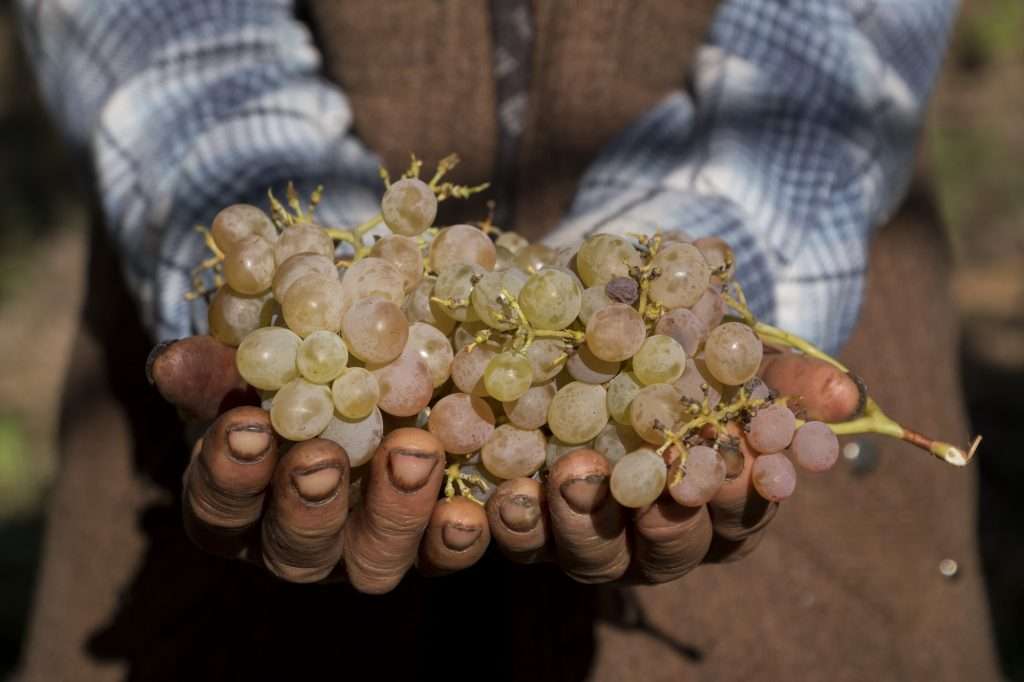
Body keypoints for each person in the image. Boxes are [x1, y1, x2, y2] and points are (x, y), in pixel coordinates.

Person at [14, 1, 1000, 680]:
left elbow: (843, 34)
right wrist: (280, 231)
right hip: (212, 600)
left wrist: (682, 288)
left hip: (806, 591)